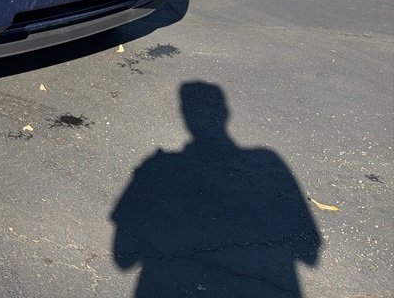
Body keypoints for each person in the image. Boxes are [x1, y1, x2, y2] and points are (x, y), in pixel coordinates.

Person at [111, 81, 321, 297]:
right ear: (226, 113)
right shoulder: (269, 160)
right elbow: (310, 252)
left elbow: (123, 258)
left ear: (184, 115)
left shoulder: (155, 167)